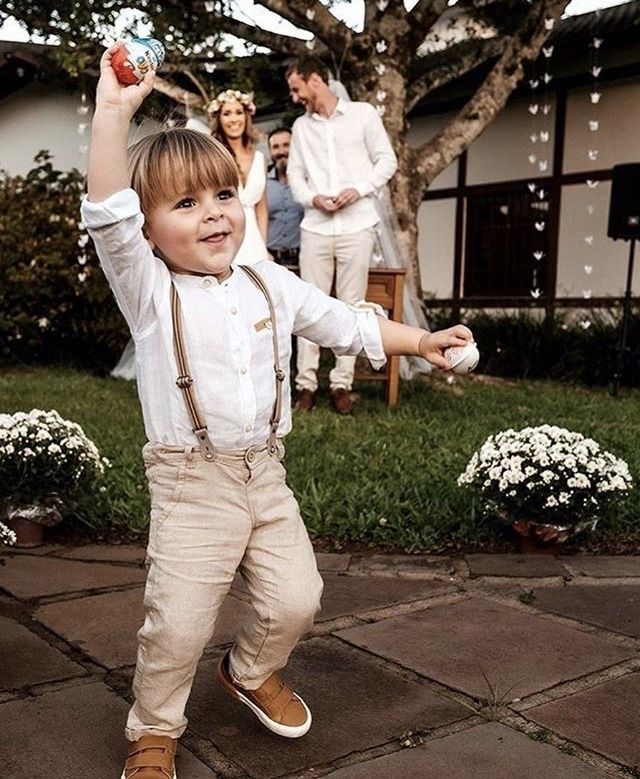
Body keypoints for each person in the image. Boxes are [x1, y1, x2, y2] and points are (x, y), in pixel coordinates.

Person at [82, 43, 474, 779]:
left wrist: (420, 338)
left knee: (299, 597)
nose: (213, 215)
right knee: (177, 622)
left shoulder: (268, 283)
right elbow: (106, 210)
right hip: (192, 481)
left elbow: (346, 324)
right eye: (185, 203)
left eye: (223, 196)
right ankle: (154, 729)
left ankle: (250, 667)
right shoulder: (146, 289)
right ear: (147, 226)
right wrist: (111, 112)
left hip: (265, 473)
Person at [287, 55, 398, 415]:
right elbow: (295, 177)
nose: (294, 97)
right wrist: (313, 198)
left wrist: (359, 188)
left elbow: (387, 160)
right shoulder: (301, 128)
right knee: (308, 308)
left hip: (357, 225)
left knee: (352, 306)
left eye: (296, 88)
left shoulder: (364, 114)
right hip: (316, 227)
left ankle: (341, 385)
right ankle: (305, 386)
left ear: (315, 80)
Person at [211, 88, 268, 266]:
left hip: (255, 243)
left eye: (238, 112)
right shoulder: (213, 156)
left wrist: (263, 246)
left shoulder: (260, 158)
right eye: (227, 113)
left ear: (246, 116)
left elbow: (262, 208)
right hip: (223, 235)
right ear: (219, 119)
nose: (234, 119)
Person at [266, 126, 303, 267]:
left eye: (286, 145)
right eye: (275, 147)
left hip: (303, 259)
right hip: (271, 259)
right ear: (270, 151)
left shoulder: (308, 182)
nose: (281, 151)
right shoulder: (263, 183)